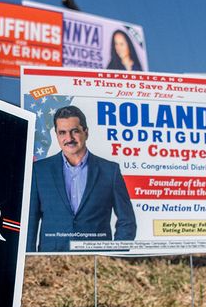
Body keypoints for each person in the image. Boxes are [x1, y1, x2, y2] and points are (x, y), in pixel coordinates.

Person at [27, 106, 137, 252]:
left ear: (86, 132)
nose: (69, 138)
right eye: (62, 133)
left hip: (97, 261)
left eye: (75, 131)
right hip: (51, 261)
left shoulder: (110, 171)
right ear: (56, 135)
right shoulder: (39, 171)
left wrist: (113, 255)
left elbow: (127, 222)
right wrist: (28, 261)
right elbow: (30, 222)